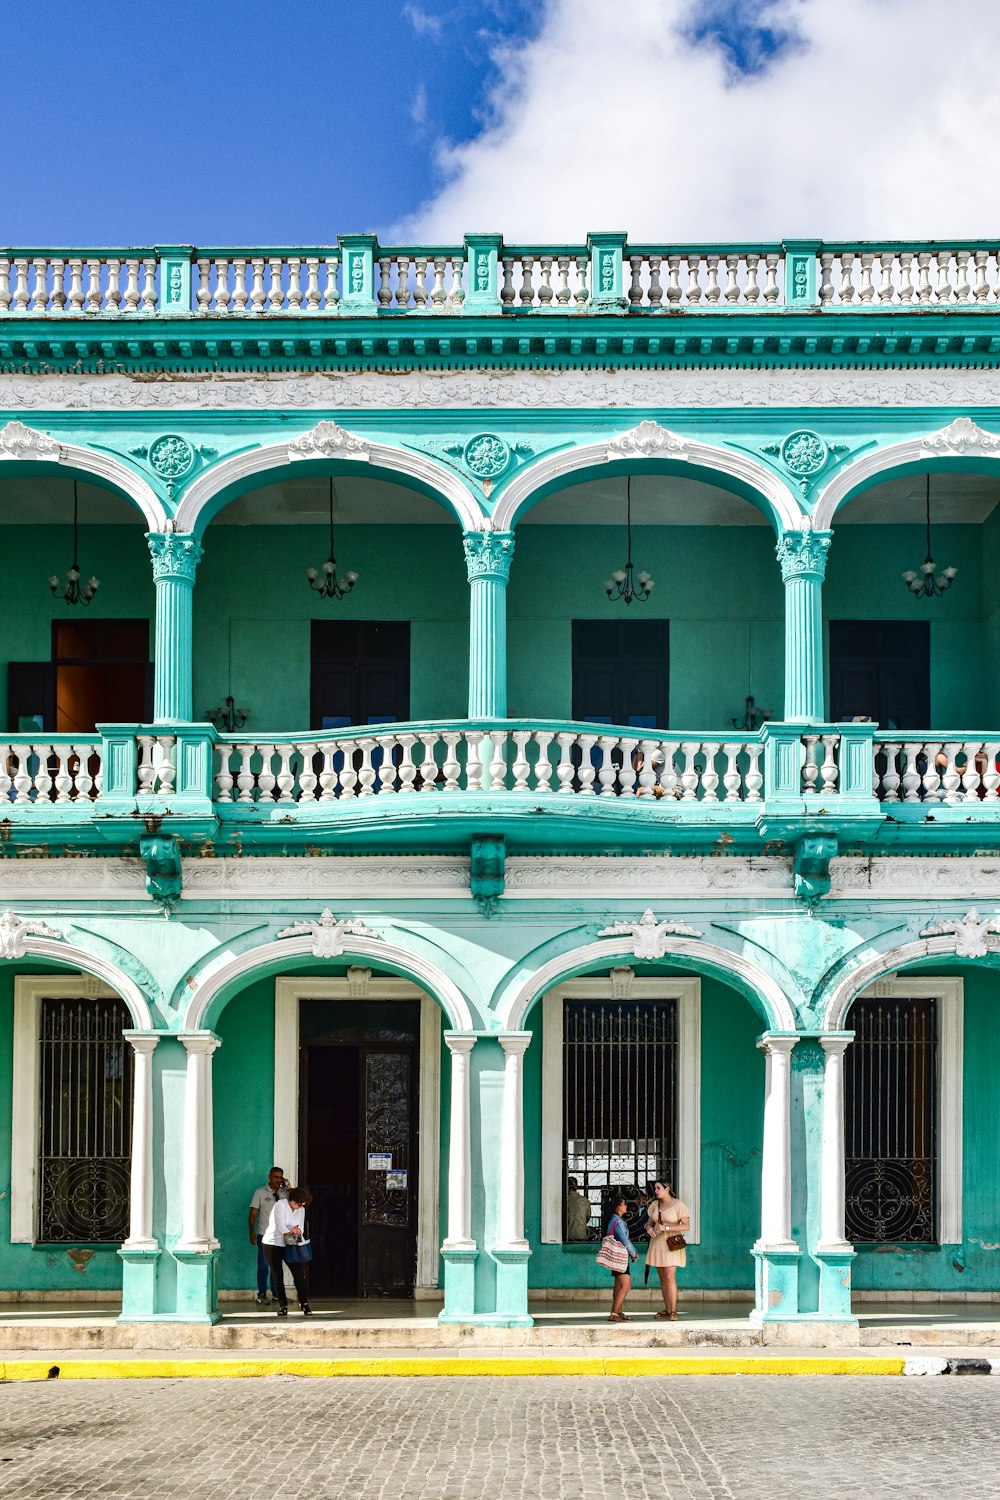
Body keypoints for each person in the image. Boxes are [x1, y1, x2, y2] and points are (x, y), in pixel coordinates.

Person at [262, 1185, 314, 1317]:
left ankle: (304, 1304)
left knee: (298, 1274)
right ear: (292, 1200)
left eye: (303, 1204)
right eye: (299, 1203)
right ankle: (282, 1306)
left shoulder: (300, 1209)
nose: (301, 1206)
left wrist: (294, 1231)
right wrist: (292, 1230)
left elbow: (299, 1228)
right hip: (273, 1243)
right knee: (277, 1275)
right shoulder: (281, 1205)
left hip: (291, 1244)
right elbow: (281, 1228)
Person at [644, 1179, 691, 1320]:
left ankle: (674, 1311)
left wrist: (667, 1228)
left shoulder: (678, 1205)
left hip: (671, 1244)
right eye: (655, 1188)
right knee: (663, 1278)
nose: (656, 1191)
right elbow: (649, 1222)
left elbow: (686, 1226)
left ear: (667, 1188)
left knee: (670, 1276)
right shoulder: (654, 1205)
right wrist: (648, 1228)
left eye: (658, 1188)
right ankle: (667, 1308)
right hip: (657, 1244)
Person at [248, 1166, 289, 1305]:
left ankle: (277, 1294)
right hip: (264, 1235)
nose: (278, 1179)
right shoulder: (260, 1192)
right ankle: (262, 1294)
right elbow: (253, 1214)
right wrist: (251, 1233)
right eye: (275, 1177)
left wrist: (288, 1188)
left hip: (281, 1236)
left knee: (276, 1267)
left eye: (280, 1177)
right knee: (263, 1265)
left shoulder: (285, 1194)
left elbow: (296, 1204)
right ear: (269, 1177)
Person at [604, 1188, 637, 1322]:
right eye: (624, 1204)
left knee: (618, 1285)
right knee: (626, 1285)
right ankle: (614, 1313)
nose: (626, 1206)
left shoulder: (614, 1219)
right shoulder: (617, 1221)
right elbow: (624, 1239)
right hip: (620, 1256)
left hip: (617, 1257)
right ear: (618, 1207)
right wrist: (633, 1252)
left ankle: (617, 1311)